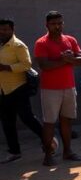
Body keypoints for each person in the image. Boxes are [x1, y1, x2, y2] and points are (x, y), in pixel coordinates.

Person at [35, 11, 81, 166]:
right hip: (50, 89)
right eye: (53, 24)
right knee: (49, 122)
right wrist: (66, 60)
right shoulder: (41, 43)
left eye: (60, 23)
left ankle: (67, 152)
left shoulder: (70, 40)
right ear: (47, 25)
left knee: (67, 121)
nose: (57, 26)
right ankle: (48, 156)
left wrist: (71, 59)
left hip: (69, 87)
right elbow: (44, 65)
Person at [0, 18, 46, 164]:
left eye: (6, 29)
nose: (3, 32)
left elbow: (26, 65)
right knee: (7, 122)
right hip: (3, 90)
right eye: (1, 29)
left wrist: (6, 67)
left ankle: (49, 140)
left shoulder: (18, 45)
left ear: (12, 30)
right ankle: (14, 152)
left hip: (18, 88)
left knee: (27, 118)